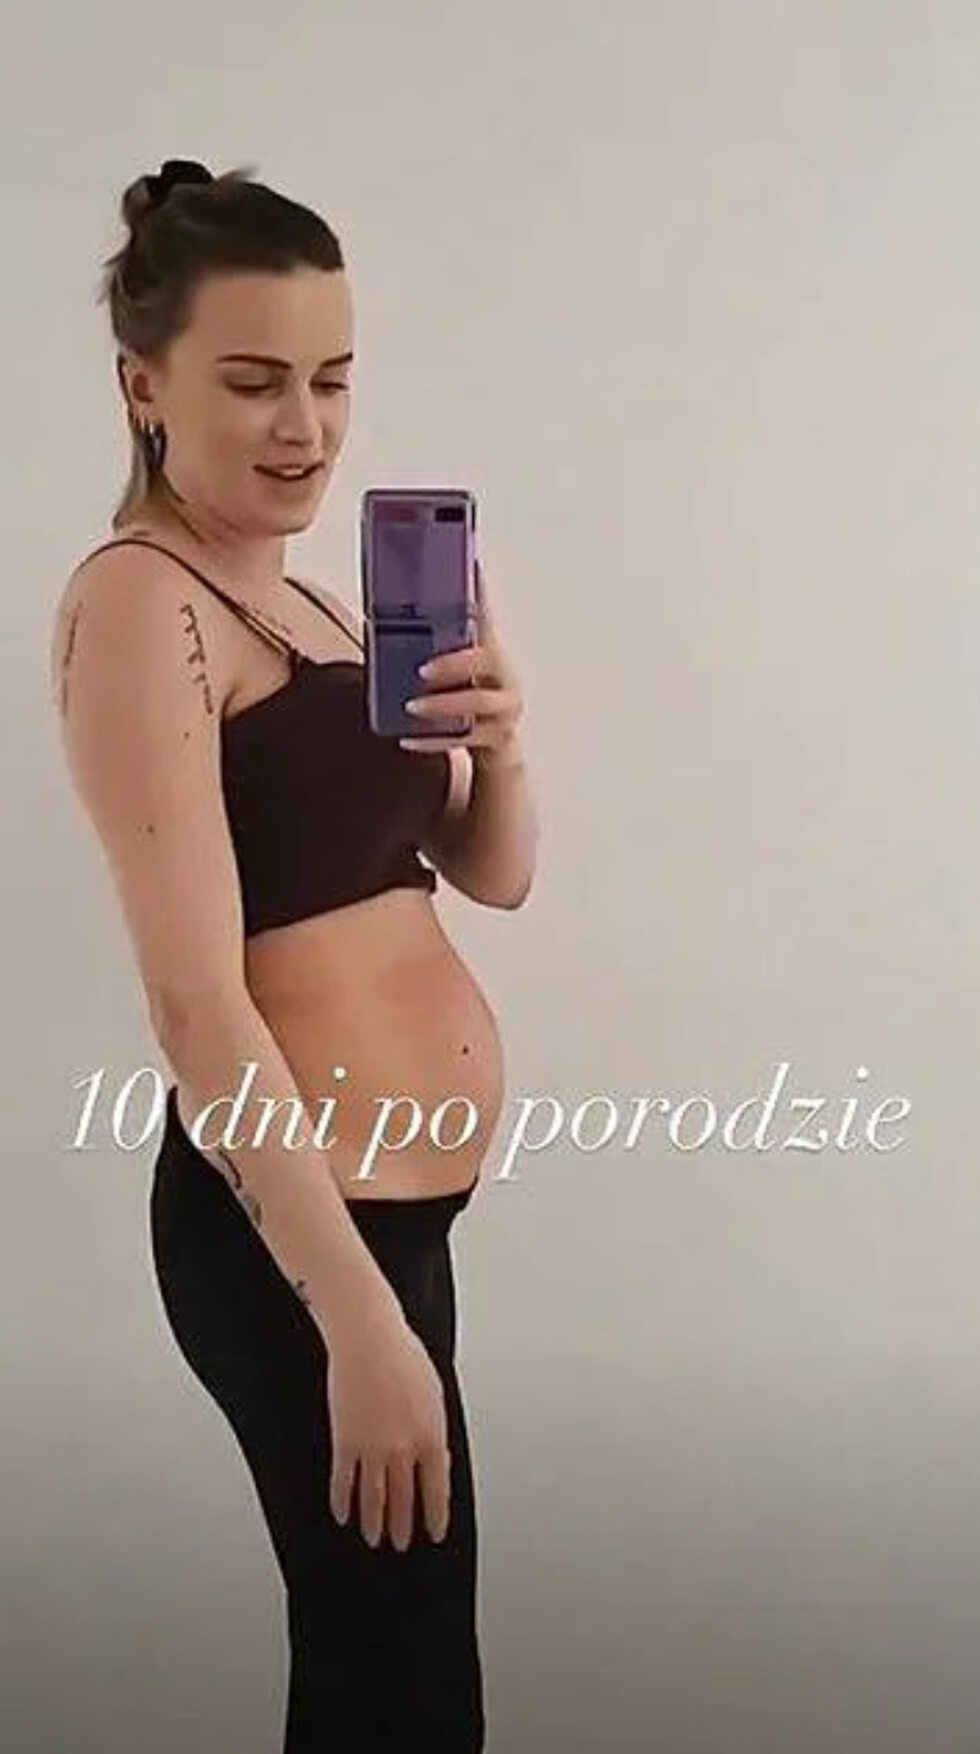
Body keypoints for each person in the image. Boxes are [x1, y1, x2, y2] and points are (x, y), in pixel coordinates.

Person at [49, 157, 538, 1752]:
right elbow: (197, 1005)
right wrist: (356, 1321)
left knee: (398, 1669)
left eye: (332, 379)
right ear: (143, 384)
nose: (306, 426)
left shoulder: (323, 605)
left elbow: (488, 874)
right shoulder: (147, 603)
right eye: (254, 381)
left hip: (397, 1221)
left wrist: (500, 740)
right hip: (293, 1232)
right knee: (396, 1684)